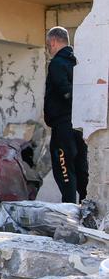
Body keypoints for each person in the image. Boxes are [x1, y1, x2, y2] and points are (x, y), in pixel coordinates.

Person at [44, 26, 88, 203]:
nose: (48, 49)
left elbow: (65, 92)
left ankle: (67, 216)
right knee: (80, 171)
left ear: (53, 42)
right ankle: (88, 210)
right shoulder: (77, 62)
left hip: (63, 127)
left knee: (64, 172)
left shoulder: (56, 63)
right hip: (79, 127)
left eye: (48, 45)